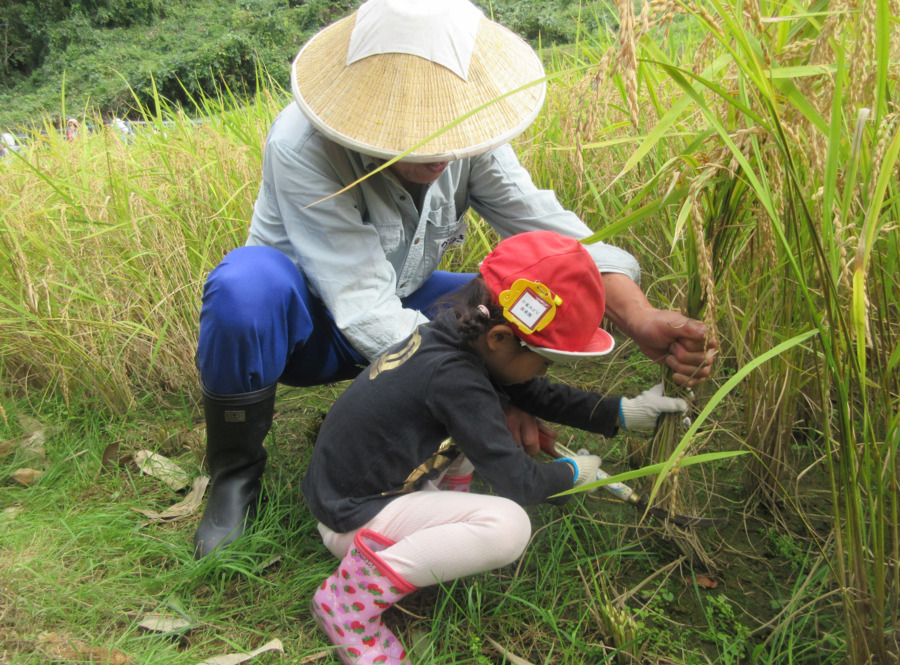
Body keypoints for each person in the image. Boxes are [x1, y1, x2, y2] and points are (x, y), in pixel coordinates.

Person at [192, 0, 717, 559]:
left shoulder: (472, 140)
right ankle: (235, 474)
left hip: (406, 300)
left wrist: (637, 316)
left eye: (447, 129)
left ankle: (426, 424)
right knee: (245, 288)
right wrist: (482, 404)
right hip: (308, 324)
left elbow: (560, 243)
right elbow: (362, 303)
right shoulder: (302, 145)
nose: (440, 152)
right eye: (413, 136)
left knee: (513, 300)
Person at [303, 230, 689, 665]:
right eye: (545, 359)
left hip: (342, 490)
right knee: (509, 526)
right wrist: (570, 473)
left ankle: (443, 516)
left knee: (487, 428)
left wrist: (621, 412)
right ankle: (347, 605)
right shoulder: (458, 381)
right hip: (351, 516)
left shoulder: (454, 338)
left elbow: (531, 390)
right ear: (501, 338)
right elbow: (521, 484)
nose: (544, 371)